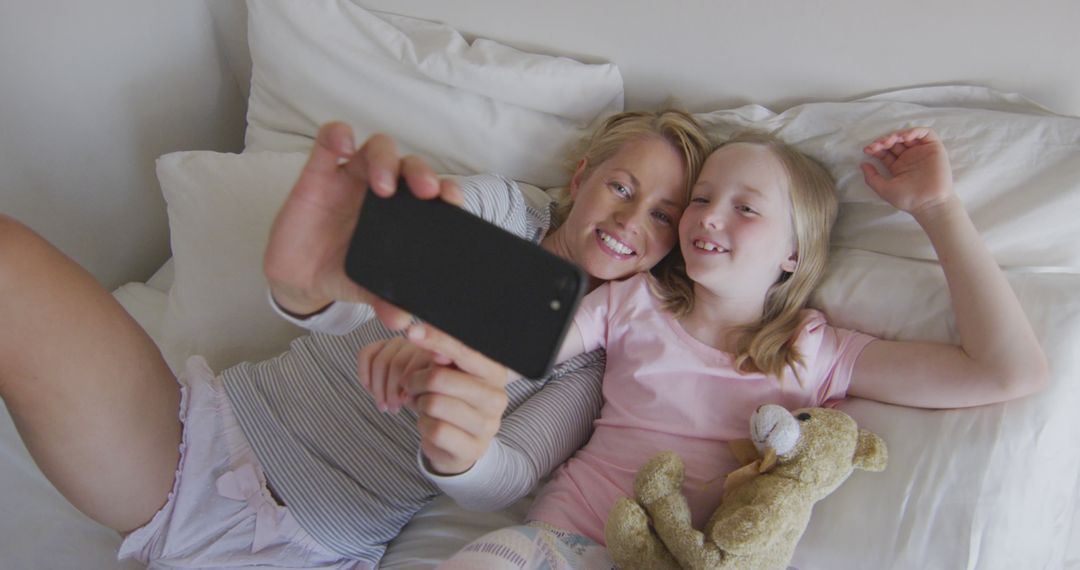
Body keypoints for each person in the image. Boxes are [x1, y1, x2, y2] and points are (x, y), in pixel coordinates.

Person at [0, 108, 711, 568]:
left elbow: (511, 476)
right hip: (198, 443)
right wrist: (312, 290)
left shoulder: (594, 364)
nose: (630, 221)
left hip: (309, 547)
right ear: (582, 178)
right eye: (622, 188)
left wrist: (456, 448)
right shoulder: (506, 209)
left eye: (660, 216)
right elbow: (384, 271)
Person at [360, 127, 1049, 569]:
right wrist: (434, 357)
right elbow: (512, 344)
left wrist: (937, 209)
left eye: (744, 208)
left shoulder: (816, 352)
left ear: (793, 252)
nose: (707, 217)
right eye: (701, 199)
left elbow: (1007, 371)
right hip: (567, 544)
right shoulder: (636, 303)